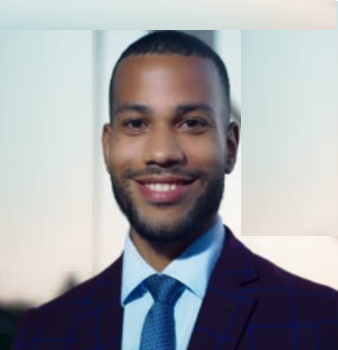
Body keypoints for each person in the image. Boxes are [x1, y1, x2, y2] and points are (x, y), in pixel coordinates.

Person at [12, 31, 338, 350]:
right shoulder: (43, 333)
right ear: (108, 147)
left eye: (191, 123)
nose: (162, 153)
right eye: (136, 123)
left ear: (230, 146)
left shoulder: (321, 323)